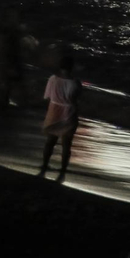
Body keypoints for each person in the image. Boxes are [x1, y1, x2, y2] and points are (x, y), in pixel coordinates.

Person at [37, 53, 82, 182]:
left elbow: (48, 96)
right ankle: (63, 169)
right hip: (69, 112)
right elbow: (77, 98)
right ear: (72, 67)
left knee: (50, 141)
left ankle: (45, 164)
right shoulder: (75, 83)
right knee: (67, 144)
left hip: (54, 110)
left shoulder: (52, 79)